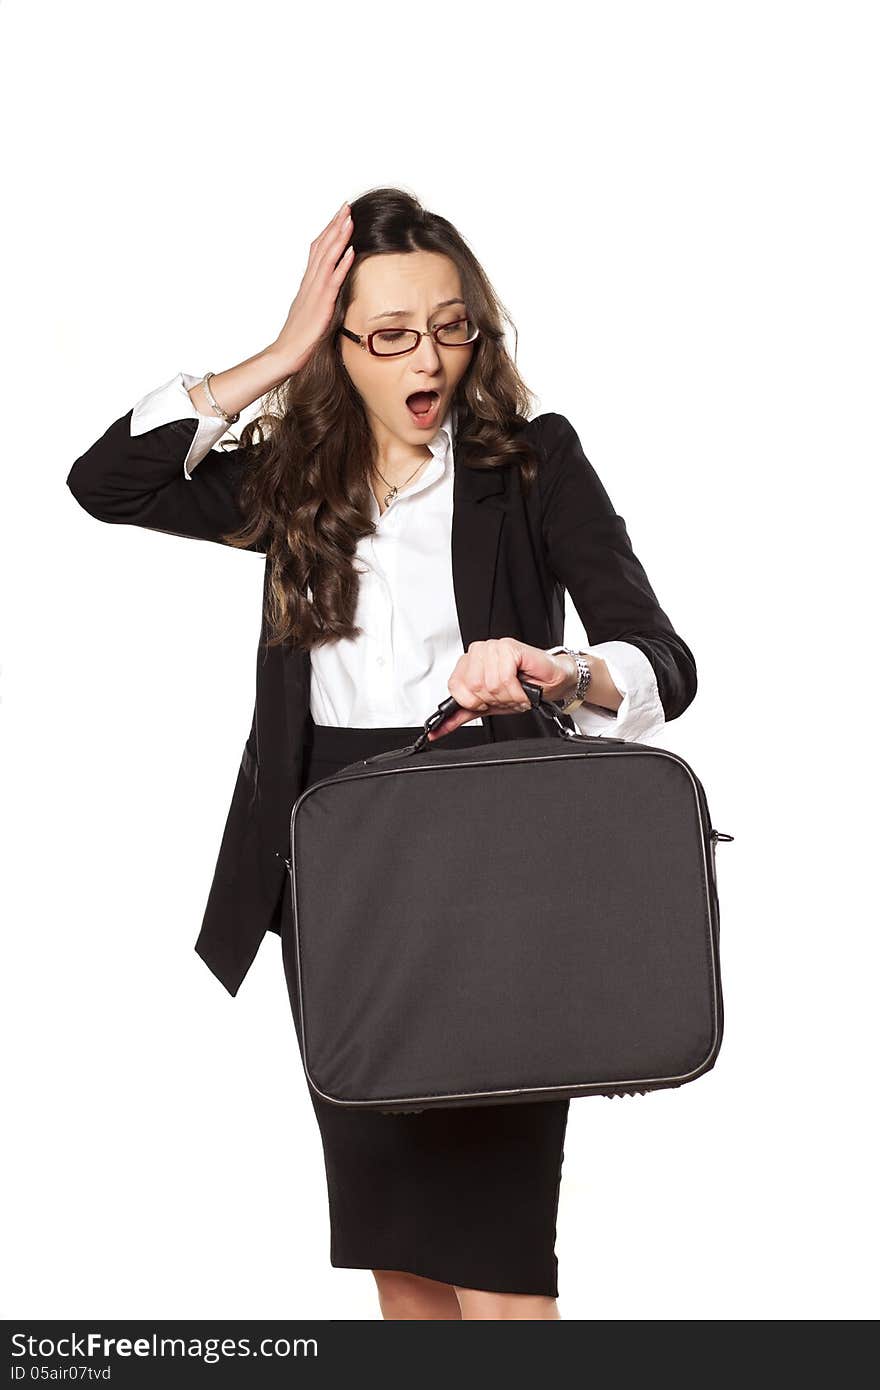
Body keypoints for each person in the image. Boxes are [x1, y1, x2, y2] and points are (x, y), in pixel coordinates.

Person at [66, 186, 697, 1320]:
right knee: (400, 1264)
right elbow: (108, 482)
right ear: (341, 344)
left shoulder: (530, 461)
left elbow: (660, 657)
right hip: (335, 875)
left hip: (493, 871)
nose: (433, 358)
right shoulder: (295, 479)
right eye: (391, 334)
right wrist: (276, 353)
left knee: (503, 1273)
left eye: (452, 327)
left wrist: (554, 669)